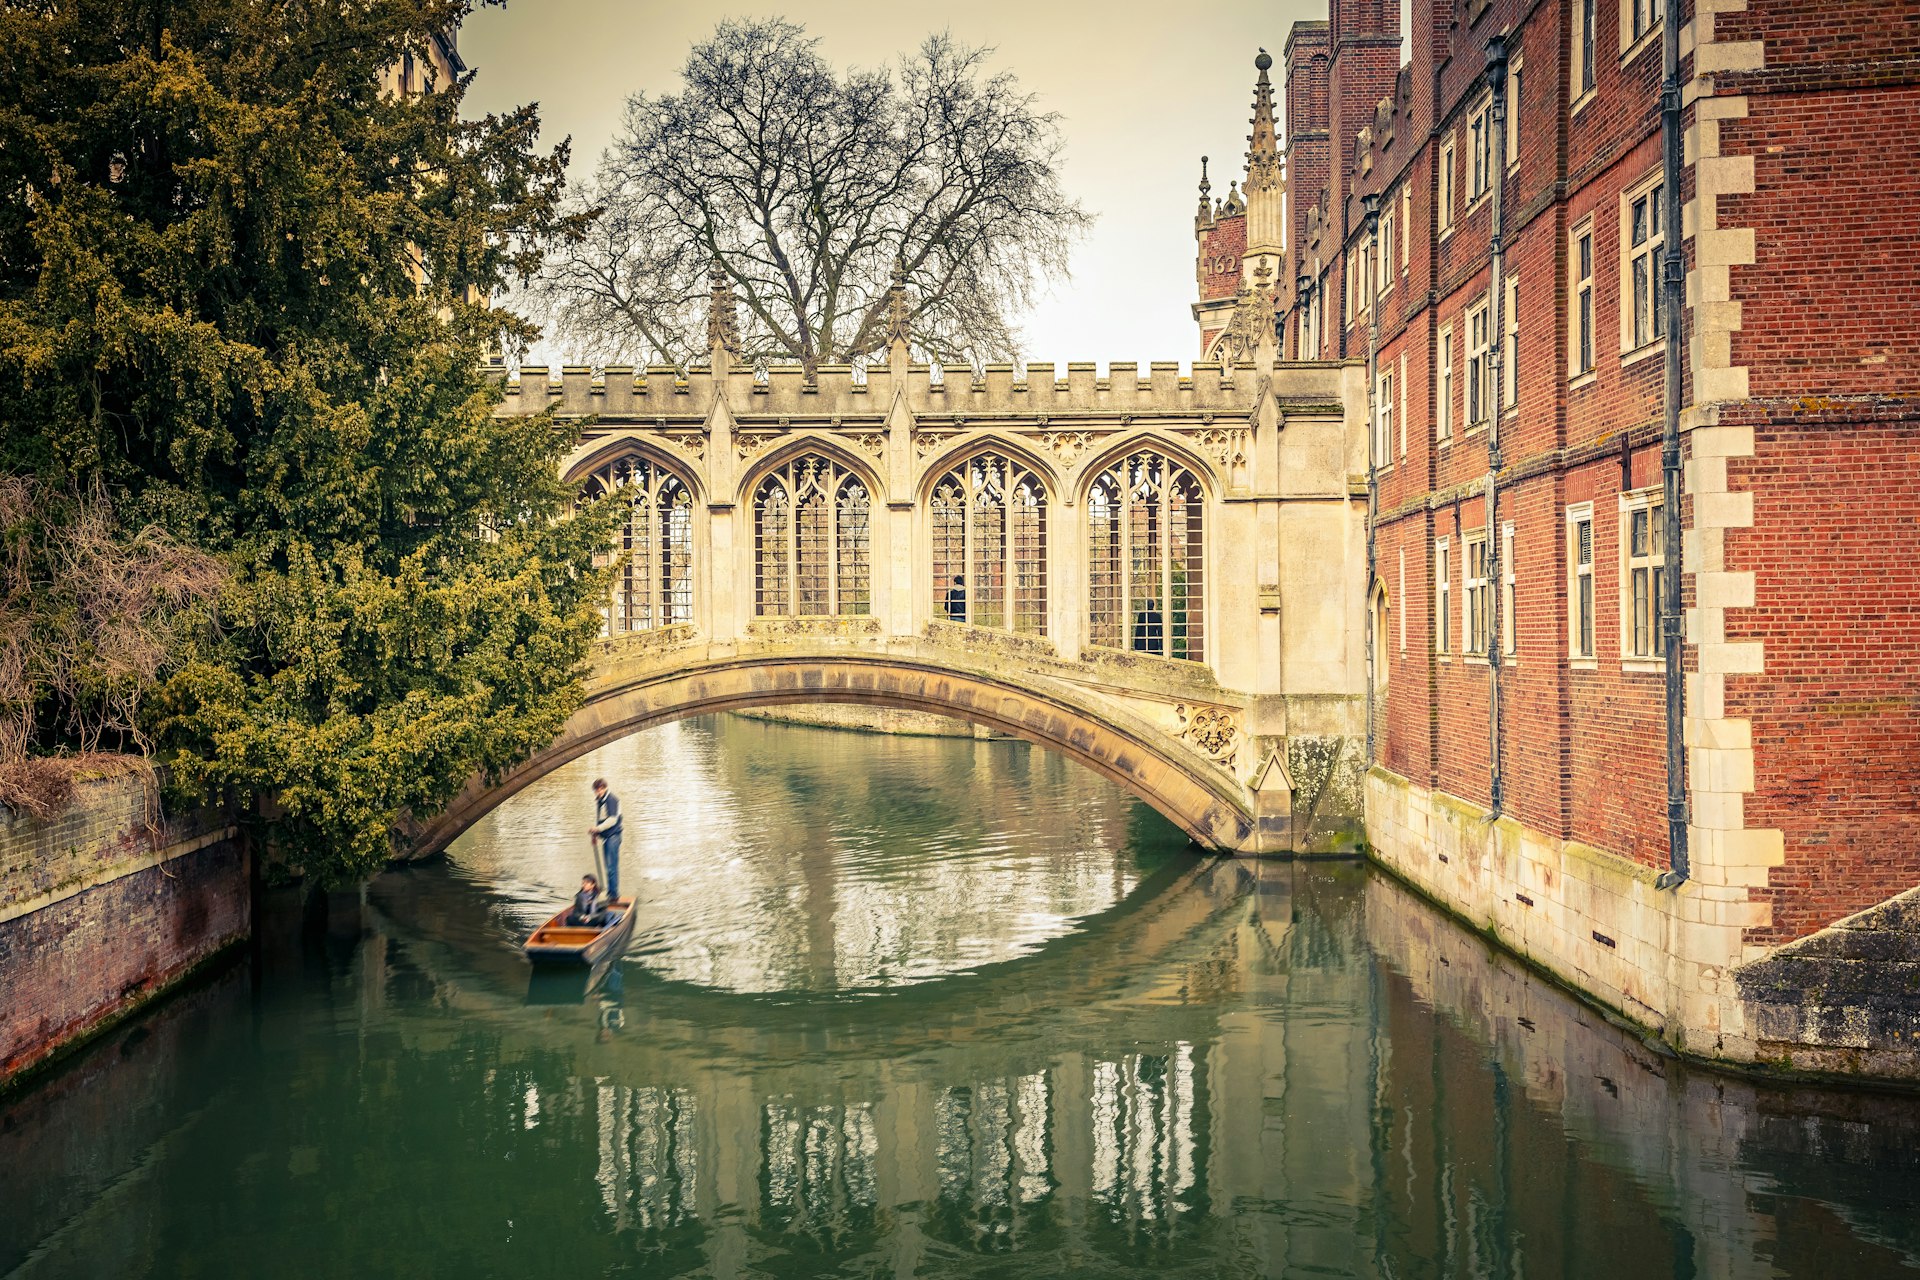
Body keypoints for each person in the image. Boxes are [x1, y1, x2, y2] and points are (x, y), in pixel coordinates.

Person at [590, 777, 622, 899]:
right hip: (606, 837)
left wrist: (597, 829)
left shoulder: (611, 800)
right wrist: (596, 834)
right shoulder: (600, 800)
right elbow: (601, 819)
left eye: (600, 790)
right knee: (608, 867)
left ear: (605, 788)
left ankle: (613, 895)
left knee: (611, 867)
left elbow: (612, 820)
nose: (598, 792)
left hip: (613, 837)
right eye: (596, 791)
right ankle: (610, 892)